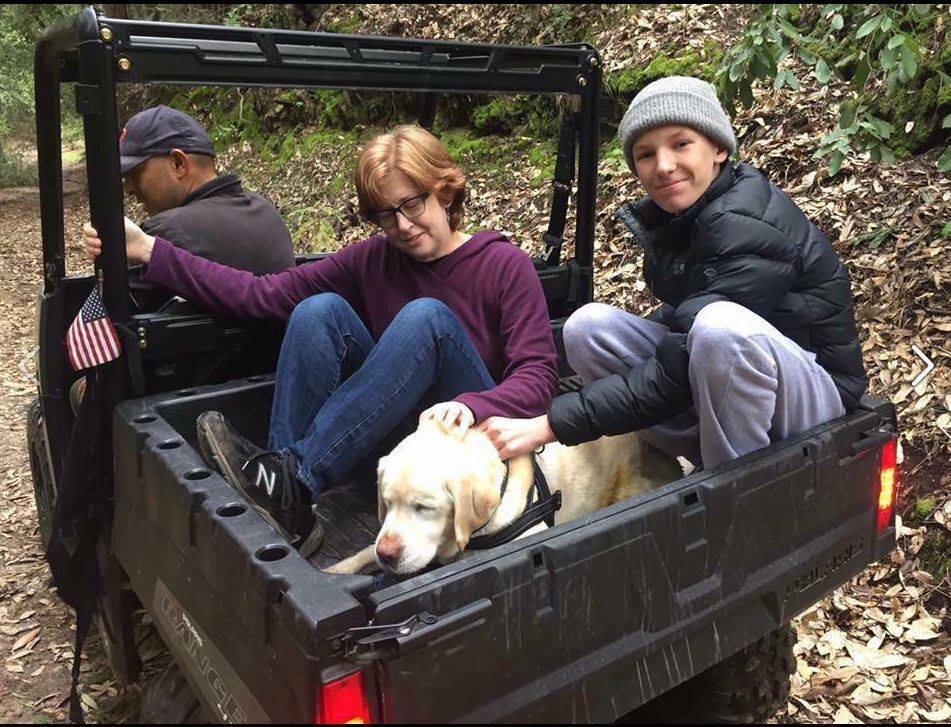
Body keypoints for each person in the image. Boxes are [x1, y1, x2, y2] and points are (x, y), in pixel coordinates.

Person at [84, 125, 559, 557]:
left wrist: (473, 405)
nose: (402, 226)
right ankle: (284, 498)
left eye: (412, 204)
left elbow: (538, 377)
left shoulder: (503, 264)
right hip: (399, 450)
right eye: (385, 215)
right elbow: (259, 294)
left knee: (427, 318)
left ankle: (292, 478)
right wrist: (149, 250)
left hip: (465, 451)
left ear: (445, 192)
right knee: (318, 311)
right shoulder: (373, 259)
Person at [477, 76, 868, 471]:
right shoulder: (685, 215)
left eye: (681, 144)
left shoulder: (743, 222)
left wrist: (549, 425)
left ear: (718, 149)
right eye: (646, 154)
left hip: (817, 394)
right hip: (739, 381)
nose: (663, 166)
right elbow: (683, 319)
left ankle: (728, 484)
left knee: (719, 329)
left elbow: (680, 361)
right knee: (587, 328)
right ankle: (687, 457)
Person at [119, 105, 295, 311]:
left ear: (178, 163)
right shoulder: (266, 212)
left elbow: (111, 314)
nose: (128, 188)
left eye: (135, 174)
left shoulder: (165, 232)